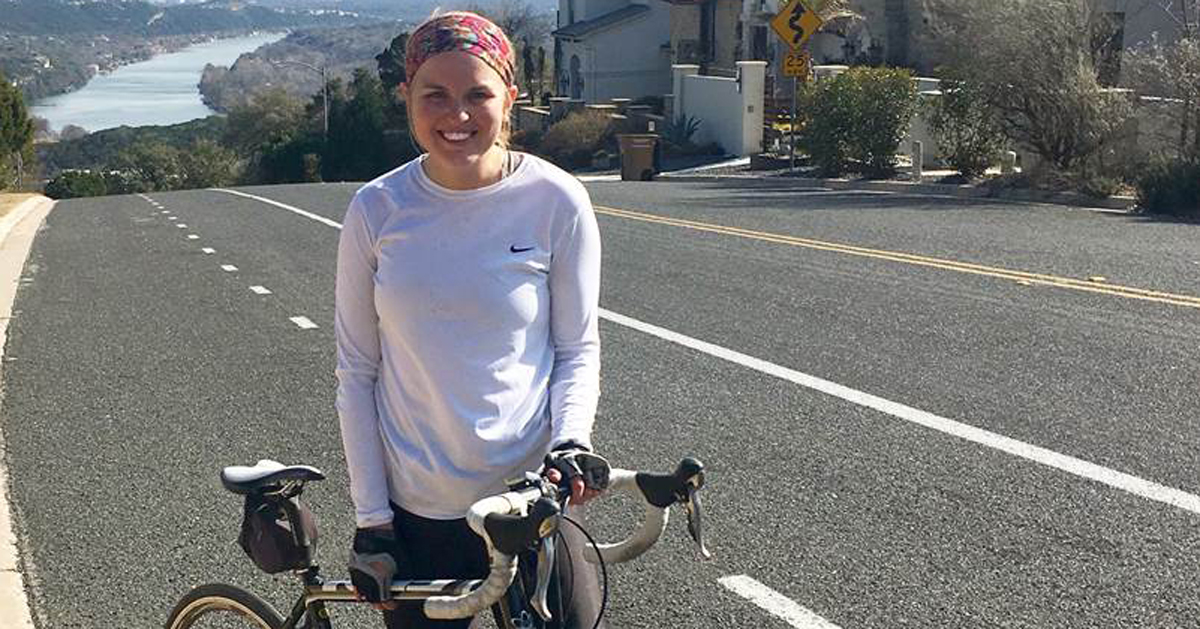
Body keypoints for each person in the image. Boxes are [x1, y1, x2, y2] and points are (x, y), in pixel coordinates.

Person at [333, 10, 605, 629]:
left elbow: (576, 349)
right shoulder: (376, 209)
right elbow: (357, 373)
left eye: (477, 94)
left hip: (531, 502)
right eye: (435, 95)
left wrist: (571, 441)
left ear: (509, 97)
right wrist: (373, 521)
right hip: (419, 514)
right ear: (407, 97)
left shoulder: (557, 199)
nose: (457, 115)